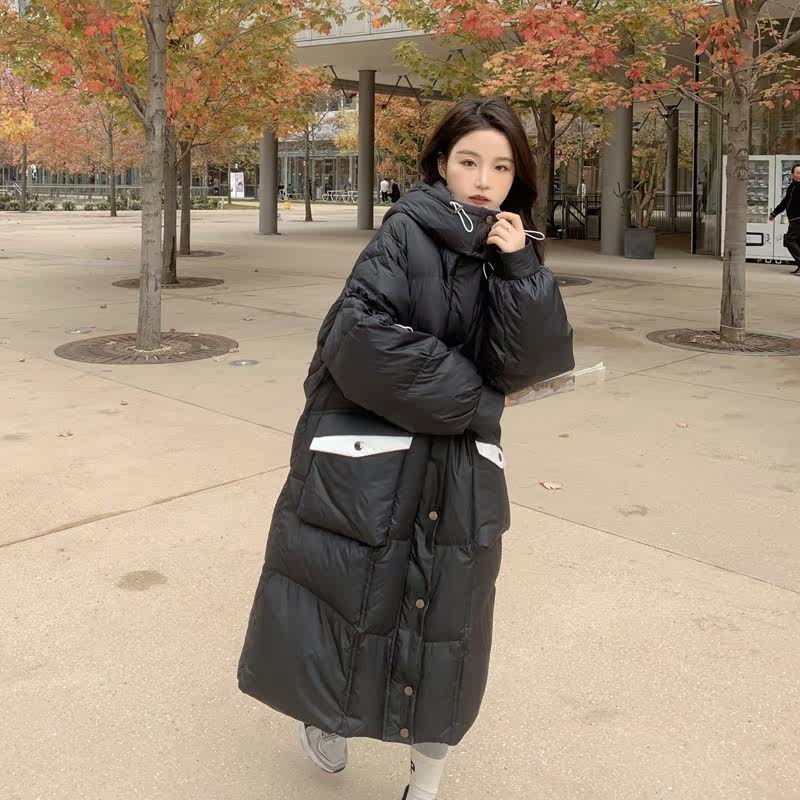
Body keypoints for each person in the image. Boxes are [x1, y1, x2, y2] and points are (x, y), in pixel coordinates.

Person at [238, 97, 574, 800]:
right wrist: (477, 401)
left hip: (459, 471)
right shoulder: (405, 233)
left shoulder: (512, 248)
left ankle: (428, 774)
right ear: (441, 164)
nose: (484, 179)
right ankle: (327, 718)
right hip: (374, 462)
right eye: (469, 161)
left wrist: (521, 271)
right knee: (349, 600)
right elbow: (359, 339)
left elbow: (532, 365)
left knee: (445, 624)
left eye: (501, 167)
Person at [769, 163, 800, 275]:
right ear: (792, 174)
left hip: (798, 219)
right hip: (793, 220)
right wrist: (774, 213)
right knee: (797, 242)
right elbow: (785, 202)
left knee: (789, 239)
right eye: (798, 173)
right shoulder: (792, 187)